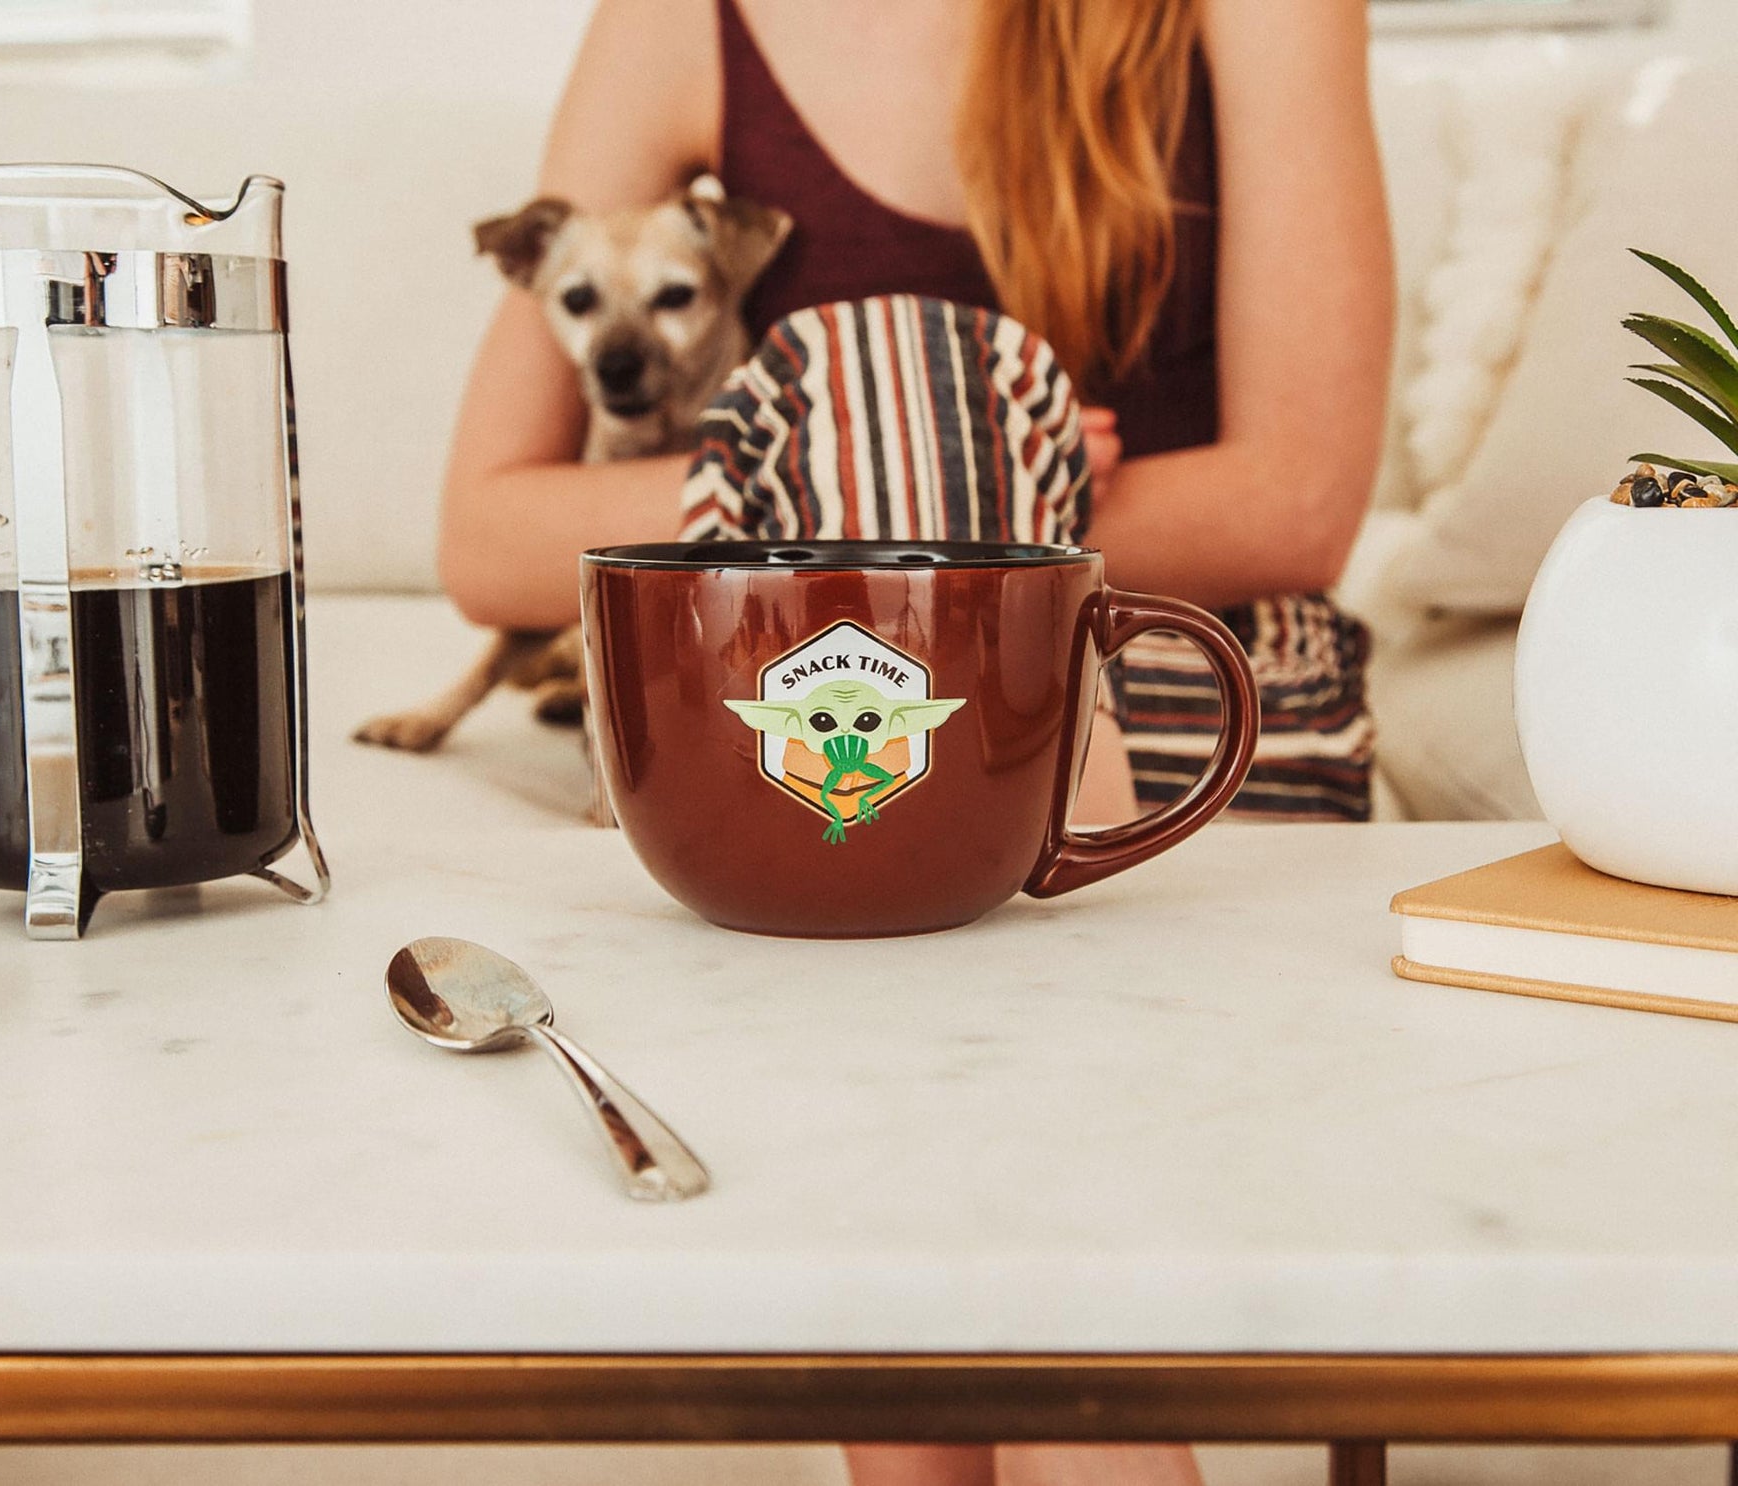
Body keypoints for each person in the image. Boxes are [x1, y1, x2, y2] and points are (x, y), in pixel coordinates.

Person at [440, 0, 1390, 1477]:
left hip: (1185, 698)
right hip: (864, 724)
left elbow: (1299, 501)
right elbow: (484, 535)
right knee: (881, 978)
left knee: (931, 1100)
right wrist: (942, 463)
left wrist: (876, 498)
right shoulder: (679, 24)